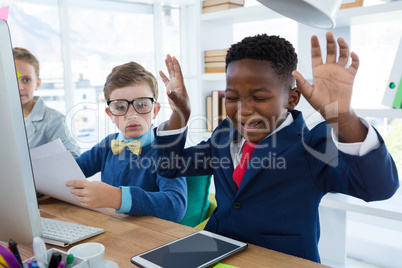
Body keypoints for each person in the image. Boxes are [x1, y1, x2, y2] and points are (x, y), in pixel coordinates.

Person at [154, 33, 399, 262]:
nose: (243, 109)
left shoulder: (314, 144)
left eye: (259, 97)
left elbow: (378, 188)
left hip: (279, 260)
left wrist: (343, 116)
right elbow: (169, 167)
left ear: (292, 98)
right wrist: (180, 113)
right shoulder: (224, 134)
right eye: (231, 97)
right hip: (214, 251)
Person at [66, 61, 187, 222]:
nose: (132, 115)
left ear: (155, 110)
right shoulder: (107, 145)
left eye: (142, 105)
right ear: (110, 114)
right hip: (112, 231)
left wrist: (117, 198)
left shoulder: (168, 151)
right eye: (120, 107)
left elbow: (175, 207)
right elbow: (69, 173)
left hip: (150, 237)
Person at [13, 47, 80, 157]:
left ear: (37, 83)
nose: (20, 87)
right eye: (14, 79)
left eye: (26, 80)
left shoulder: (52, 120)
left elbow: (73, 158)